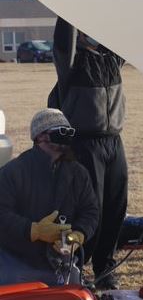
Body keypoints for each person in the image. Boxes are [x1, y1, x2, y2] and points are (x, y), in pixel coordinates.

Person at [50, 17, 128, 289]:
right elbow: (62, 42)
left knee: (116, 206)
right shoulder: (71, 63)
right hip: (85, 143)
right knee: (89, 208)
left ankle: (105, 267)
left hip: (113, 143)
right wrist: (69, 9)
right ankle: (77, 267)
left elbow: (124, 28)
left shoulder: (111, 60)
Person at [0, 109, 99, 286]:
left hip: (60, 262)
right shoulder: (13, 172)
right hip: (17, 260)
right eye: (59, 131)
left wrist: (78, 235)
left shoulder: (78, 173)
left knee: (73, 297)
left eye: (68, 132)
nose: (65, 137)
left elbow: (90, 211)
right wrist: (33, 230)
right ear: (40, 137)